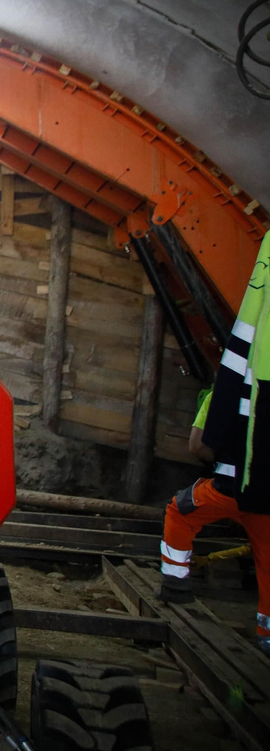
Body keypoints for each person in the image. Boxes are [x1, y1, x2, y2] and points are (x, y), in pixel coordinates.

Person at [161, 232, 270, 650]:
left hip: (226, 488)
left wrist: (221, 463)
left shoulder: (219, 395)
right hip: (266, 498)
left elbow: (197, 446)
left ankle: (175, 585)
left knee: (180, 512)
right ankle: (266, 633)